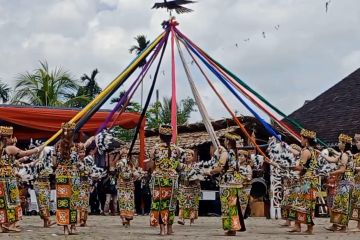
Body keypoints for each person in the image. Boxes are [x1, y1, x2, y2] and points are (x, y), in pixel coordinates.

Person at [0, 126, 45, 232]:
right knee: (12, 201)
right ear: (7, 138)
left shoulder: (3, 150)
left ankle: (3, 225)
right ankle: (10, 224)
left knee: (3, 202)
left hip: (1, 178)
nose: (13, 139)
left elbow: (16, 161)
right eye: (11, 137)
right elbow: (25, 153)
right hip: (8, 178)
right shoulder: (9, 148)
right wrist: (39, 148)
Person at [149, 124, 182, 235]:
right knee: (171, 203)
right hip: (172, 179)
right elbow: (177, 164)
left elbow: (151, 163)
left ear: (160, 135)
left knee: (159, 203)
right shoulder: (176, 149)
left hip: (158, 178)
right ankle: (169, 228)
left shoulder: (155, 148)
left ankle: (162, 229)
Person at [287, 129, 318, 235]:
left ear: (306, 140)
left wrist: (290, 168)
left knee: (303, 204)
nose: (300, 140)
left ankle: (308, 227)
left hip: (306, 182)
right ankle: (298, 225)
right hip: (310, 180)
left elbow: (301, 167)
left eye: (301, 138)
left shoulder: (305, 151)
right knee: (302, 203)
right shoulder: (312, 151)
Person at [53, 122, 80, 235]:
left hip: (62, 174)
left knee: (63, 201)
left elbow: (54, 163)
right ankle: (73, 227)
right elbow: (77, 162)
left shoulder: (57, 146)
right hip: (73, 173)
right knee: (73, 201)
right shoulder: (76, 146)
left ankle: (65, 228)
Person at [324, 133, 353, 232]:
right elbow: (333, 159)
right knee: (340, 204)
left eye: (340, 142)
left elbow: (342, 170)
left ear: (344, 144)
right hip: (344, 182)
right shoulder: (346, 154)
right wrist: (323, 155)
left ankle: (341, 226)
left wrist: (331, 172)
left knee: (341, 204)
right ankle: (336, 225)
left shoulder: (345, 155)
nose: (338, 143)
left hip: (344, 182)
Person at [177, 149, 201, 225]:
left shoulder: (196, 165)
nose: (187, 156)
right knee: (182, 203)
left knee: (193, 203)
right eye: (186, 155)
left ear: (193, 156)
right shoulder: (182, 165)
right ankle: (181, 219)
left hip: (193, 187)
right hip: (183, 186)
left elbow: (199, 175)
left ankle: (192, 219)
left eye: (189, 155)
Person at [350, 133, 360, 231]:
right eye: (356, 141)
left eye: (358, 141)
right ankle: (358, 225)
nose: (356, 144)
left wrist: (356, 168)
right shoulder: (357, 155)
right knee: (357, 203)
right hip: (357, 182)